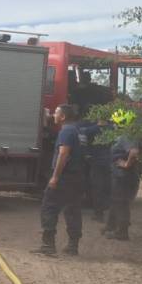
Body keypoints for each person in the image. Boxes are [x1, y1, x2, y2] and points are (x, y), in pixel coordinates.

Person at [34, 104, 85, 256]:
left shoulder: (66, 131)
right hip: (76, 177)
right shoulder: (77, 130)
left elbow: (63, 154)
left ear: (62, 117)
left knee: (49, 206)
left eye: (55, 113)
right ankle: (72, 246)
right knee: (73, 210)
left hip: (65, 177)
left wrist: (55, 177)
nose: (52, 115)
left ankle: (48, 246)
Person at [104, 109, 142, 241]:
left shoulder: (127, 136)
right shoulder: (126, 135)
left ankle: (122, 232)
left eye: (115, 122)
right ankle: (110, 226)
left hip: (124, 175)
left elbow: (134, 152)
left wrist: (126, 164)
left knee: (121, 202)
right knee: (116, 200)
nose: (113, 124)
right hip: (121, 174)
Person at [78, 118, 113, 222]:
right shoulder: (113, 130)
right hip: (109, 162)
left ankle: (99, 214)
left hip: (96, 162)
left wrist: (86, 155)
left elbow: (82, 143)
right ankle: (110, 213)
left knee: (97, 187)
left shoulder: (90, 130)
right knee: (108, 187)